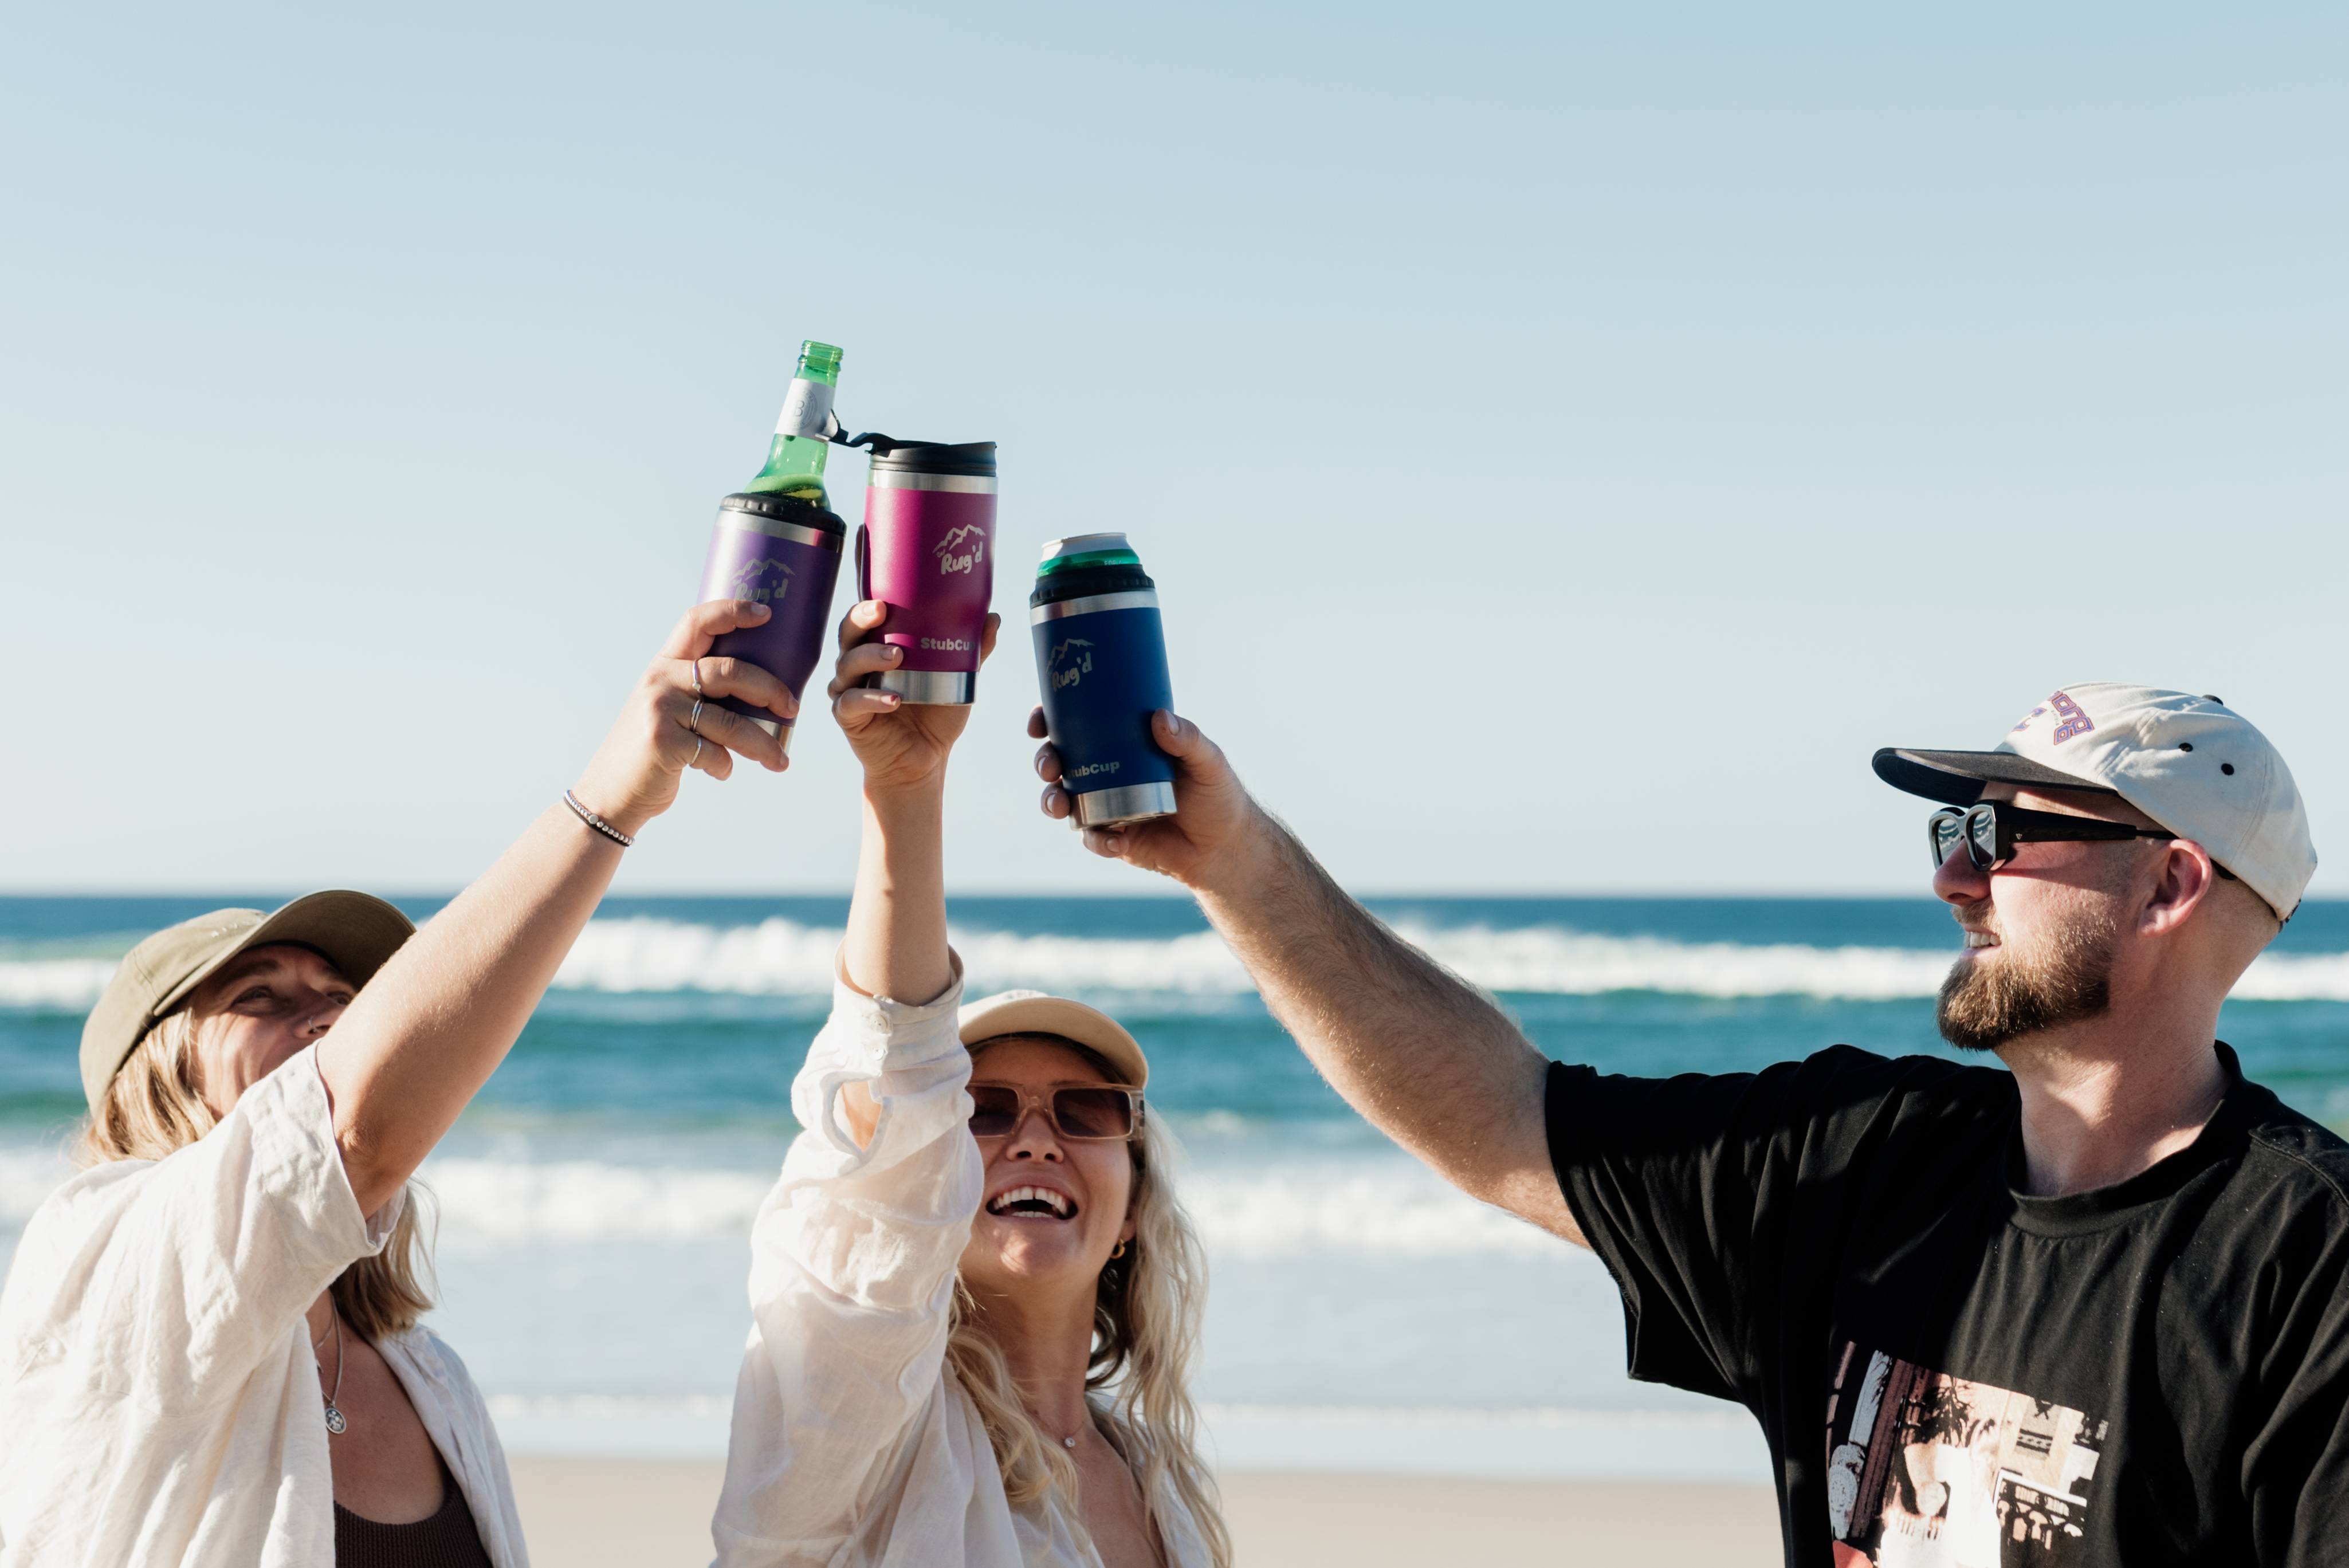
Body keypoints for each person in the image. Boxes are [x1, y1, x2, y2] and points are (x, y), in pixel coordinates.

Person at [1032, 683, 2349, 1566]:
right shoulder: (1862, 1157)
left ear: (2172, 882)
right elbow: (1500, 1116)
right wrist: (1232, 860)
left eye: (1999, 832)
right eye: (1952, 829)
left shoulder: (2308, 1262)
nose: (1950, 873)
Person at [0, 599, 798, 1567]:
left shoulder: (430, 1381)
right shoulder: (103, 1256)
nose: (327, 1015)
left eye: (344, 996)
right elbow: (347, 1134)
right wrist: (608, 804)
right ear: (156, 1073)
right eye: (262, 995)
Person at [713, 601, 1228, 1567]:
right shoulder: (862, 1425)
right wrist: (906, 788)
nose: (1035, 1140)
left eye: (1084, 1112)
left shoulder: (1159, 1478)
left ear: (1132, 1209)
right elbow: (893, 1084)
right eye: (982, 1111)